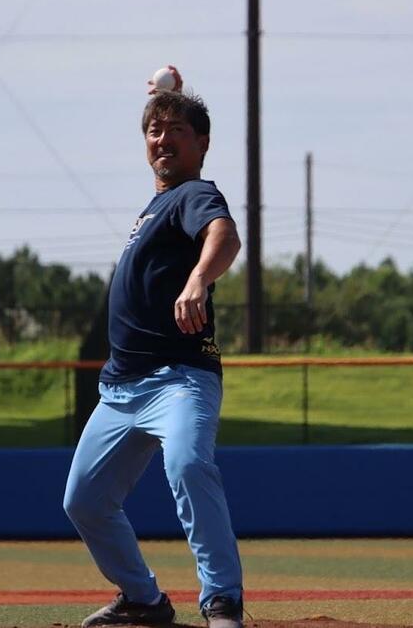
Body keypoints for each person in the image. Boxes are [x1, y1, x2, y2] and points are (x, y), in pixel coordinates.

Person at [63, 81, 244, 628]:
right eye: (154, 130)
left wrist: (197, 279)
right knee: (84, 502)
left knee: (189, 464)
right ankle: (143, 600)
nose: (162, 138)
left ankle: (222, 602)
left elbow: (226, 236)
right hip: (120, 390)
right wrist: (173, 97)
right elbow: (172, 121)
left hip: (178, 378)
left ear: (203, 144)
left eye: (177, 131)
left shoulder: (195, 193)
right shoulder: (157, 206)